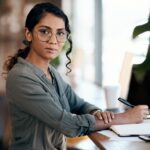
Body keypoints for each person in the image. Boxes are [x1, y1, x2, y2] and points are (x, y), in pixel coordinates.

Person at [3, 2, 149, 150]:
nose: (53, 41)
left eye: (60, 33)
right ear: (28, 34)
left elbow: (77, 104)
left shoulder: (51, 72)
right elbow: (68, 125)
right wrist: (124, 118)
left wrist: (97, 112)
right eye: (44, 31)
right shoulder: (21, 78)